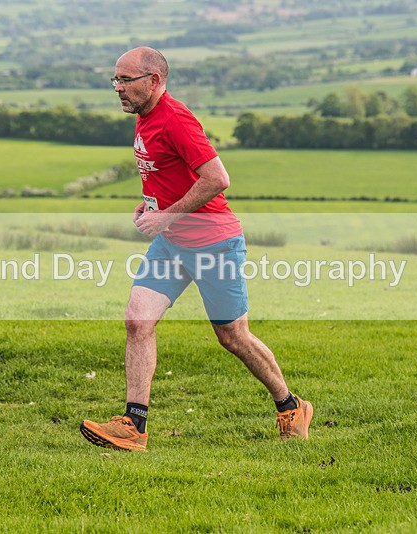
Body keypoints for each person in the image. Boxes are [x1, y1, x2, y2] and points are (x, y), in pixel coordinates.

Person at [79, 47, 312, 451]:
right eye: (115, 80)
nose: (118, 88)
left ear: (153, 81)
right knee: (137, 321)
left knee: (233, 336)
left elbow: (218, 178)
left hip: (214, 242)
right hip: (172, 244)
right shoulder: (144, 117)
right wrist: (151, 202)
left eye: (126, 80)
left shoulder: (176, 119)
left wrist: (166, 214)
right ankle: (134, 426)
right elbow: (166, 171)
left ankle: (290, 406)